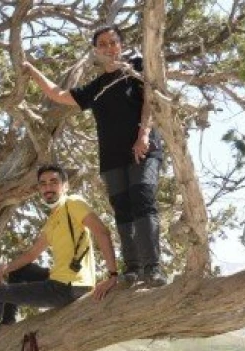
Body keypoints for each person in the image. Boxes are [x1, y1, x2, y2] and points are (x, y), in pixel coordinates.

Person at [24, 25, 167, 287]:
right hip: (112, 158)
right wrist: (32, 72)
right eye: (103, 44)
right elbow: (58, 94)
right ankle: (132, 269)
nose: (109, 48)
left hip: (142, 149)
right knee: (123, 209)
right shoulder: (96, 87)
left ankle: (153, 268)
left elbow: (150, 101)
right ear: (95, 51)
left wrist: (143, 134)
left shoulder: (137, 68)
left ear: (121, 45)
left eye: (113, 42)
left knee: (142, 200)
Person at [0, 165, 118, 341]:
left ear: (65, 186)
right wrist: (4, 269)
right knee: (17, 270)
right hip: (60, 280)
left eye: (53, 182)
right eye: (43, 184)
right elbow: (31, 255)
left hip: (68, 288)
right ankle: (8, 322)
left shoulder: (73, 203)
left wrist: (112, 275)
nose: (48, 187)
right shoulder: (54, 218)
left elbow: (102, 232)